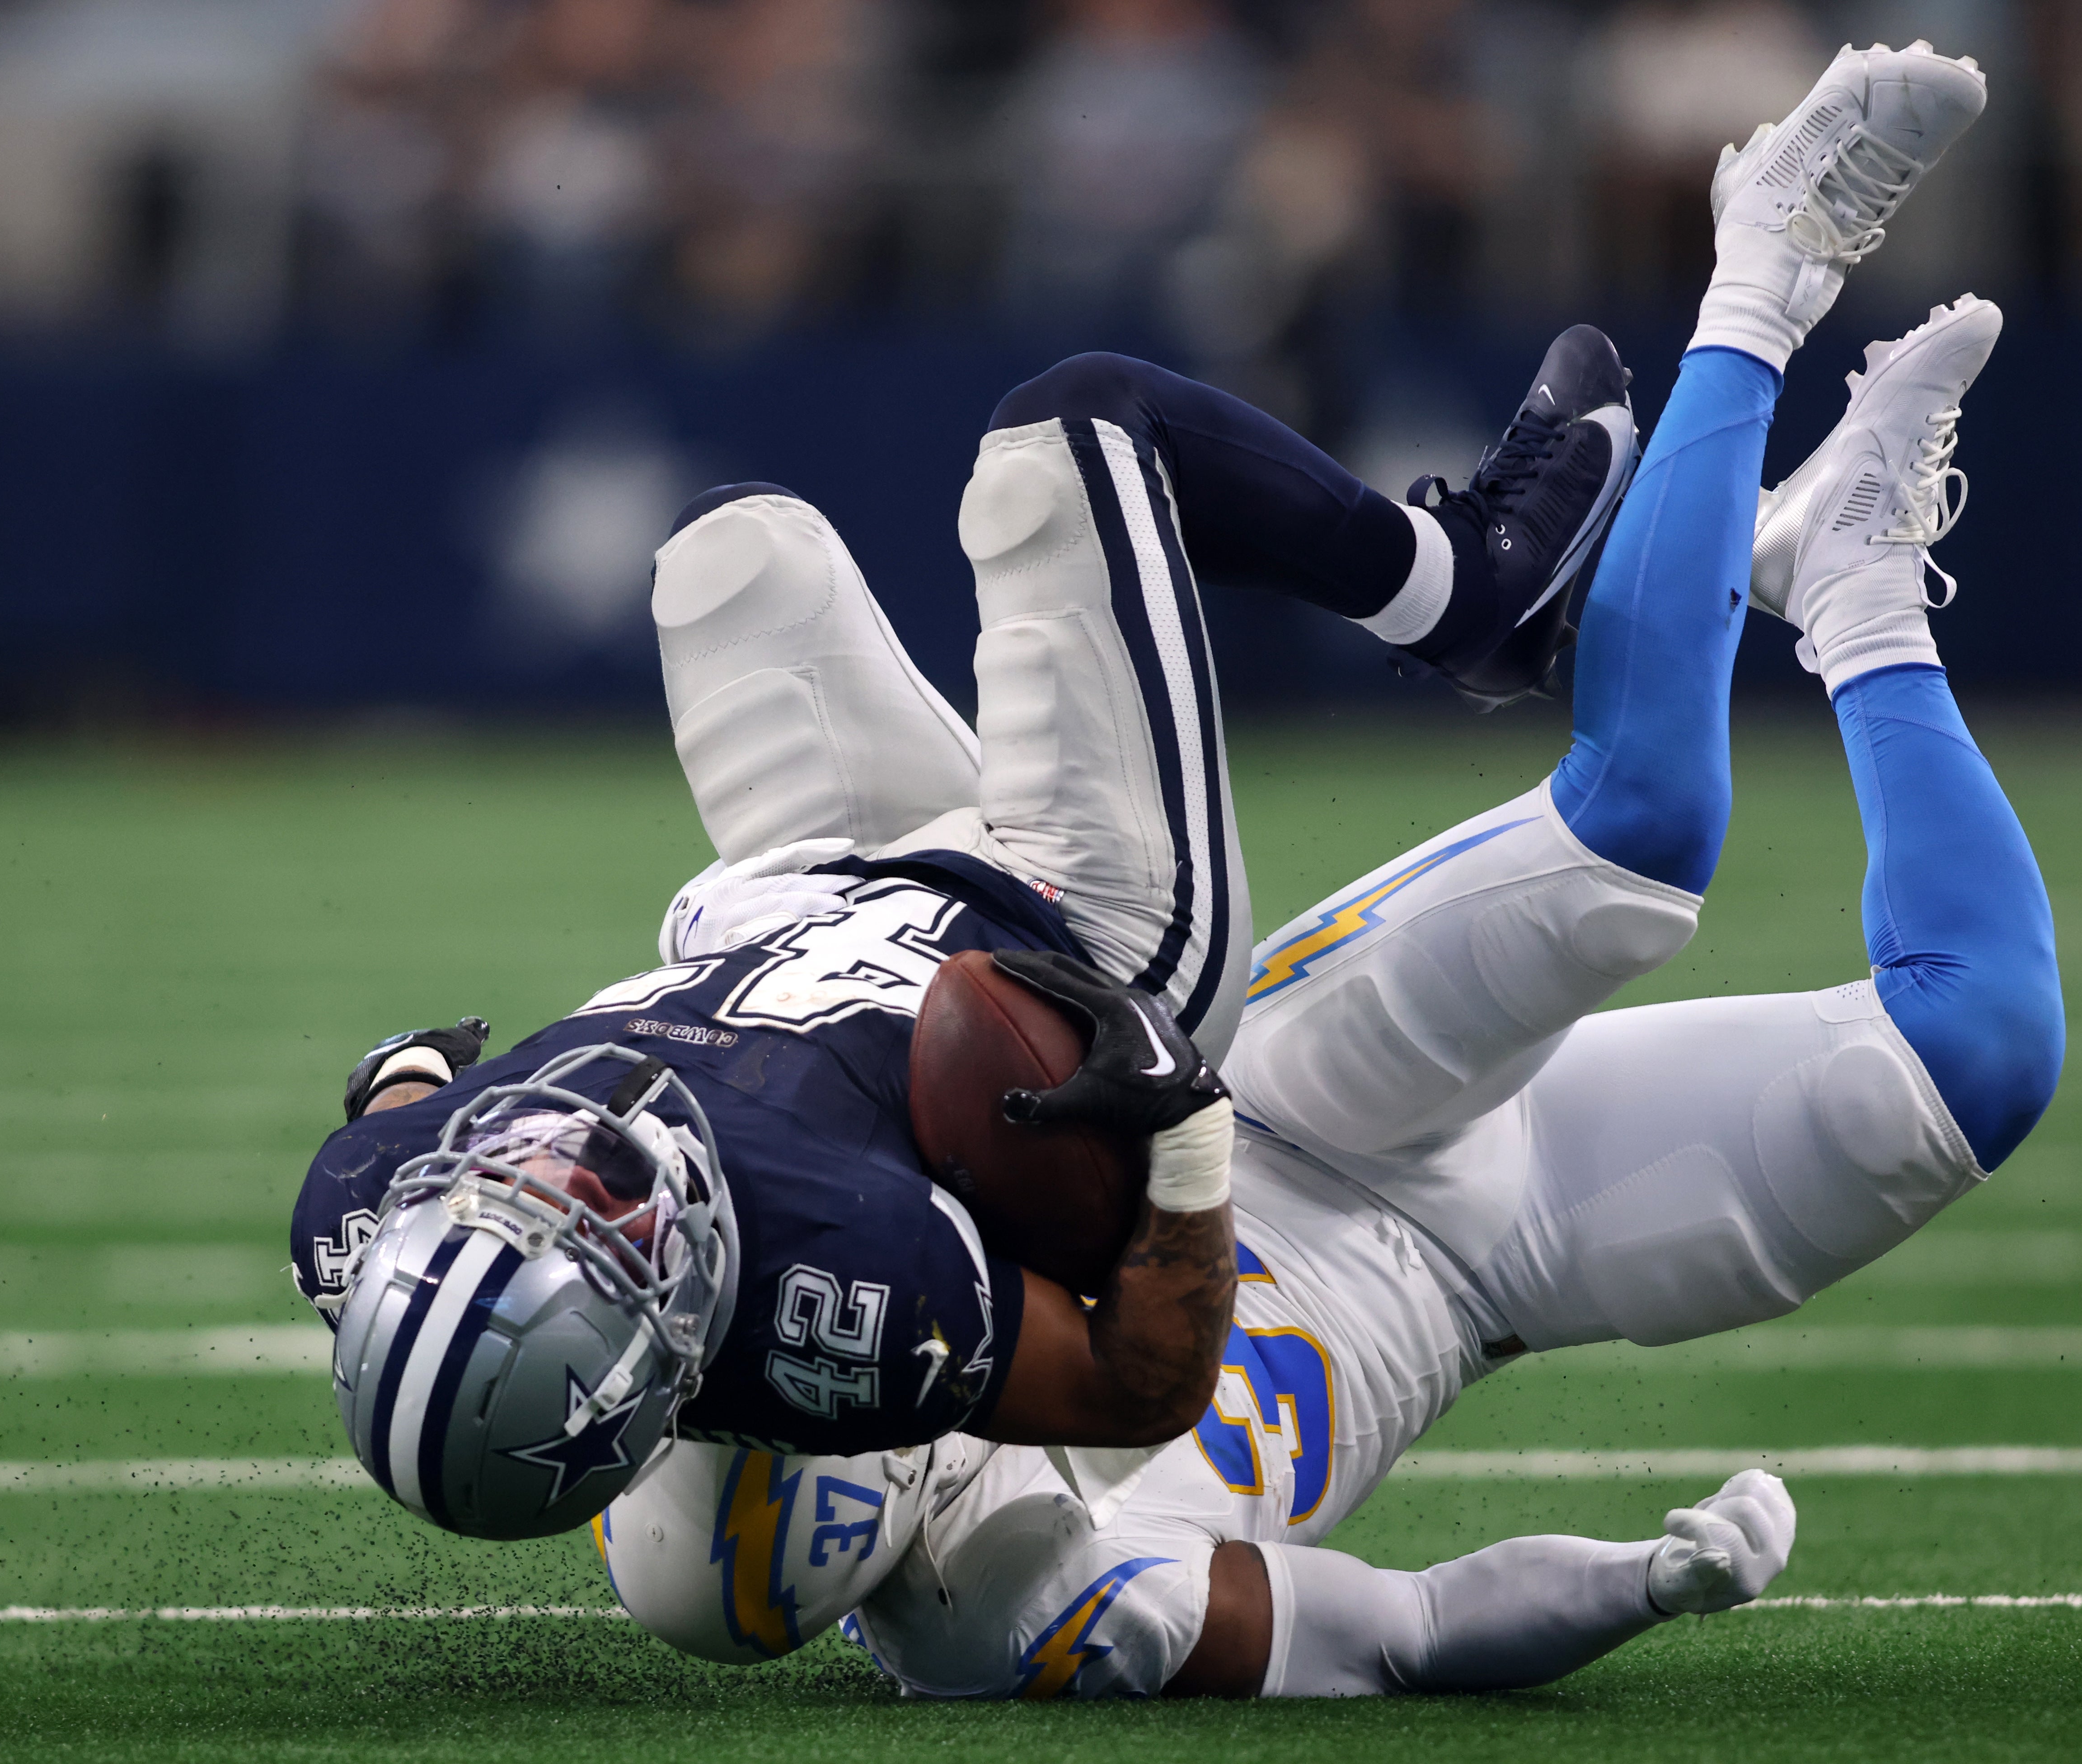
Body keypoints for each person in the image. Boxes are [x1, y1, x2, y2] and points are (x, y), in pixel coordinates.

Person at [592, 42, 2055, 1698]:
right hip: (1486, 1270)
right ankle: (1856, 587)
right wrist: (1644, 1582)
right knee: (1980, 1054)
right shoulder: (1020, 1611)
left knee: (1640, 832)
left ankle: (1765, 263)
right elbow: (1404, 1628)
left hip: (1279, 1109)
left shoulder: (847, 1236)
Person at [290, 228, 1643, 1537]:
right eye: (591, 1222)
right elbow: (1139, 1387)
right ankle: (1474, 594)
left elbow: (391, 1122)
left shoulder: (364, 1211)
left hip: (794, 898)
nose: (558, 1158)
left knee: (726, 558)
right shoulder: (843, 1279)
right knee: (1073, 433)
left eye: (508, 1187)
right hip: (1066, 944)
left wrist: (408, 1075)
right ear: (666, 1340)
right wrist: (1183, 1141)